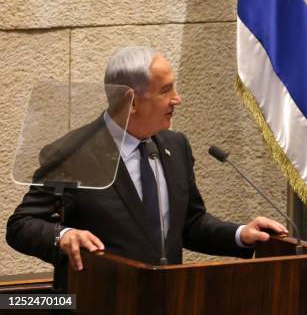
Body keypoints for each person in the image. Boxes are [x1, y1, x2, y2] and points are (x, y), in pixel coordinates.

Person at [6, 46, 288, 279]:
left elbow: (190, 223)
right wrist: (62, 235)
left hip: (169, 300)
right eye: (166, 91)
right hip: (100, 300)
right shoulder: (73, 154)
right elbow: (22, 225)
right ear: (131, 101)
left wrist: (240, 234)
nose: (177, 99)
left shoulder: (175, 146)